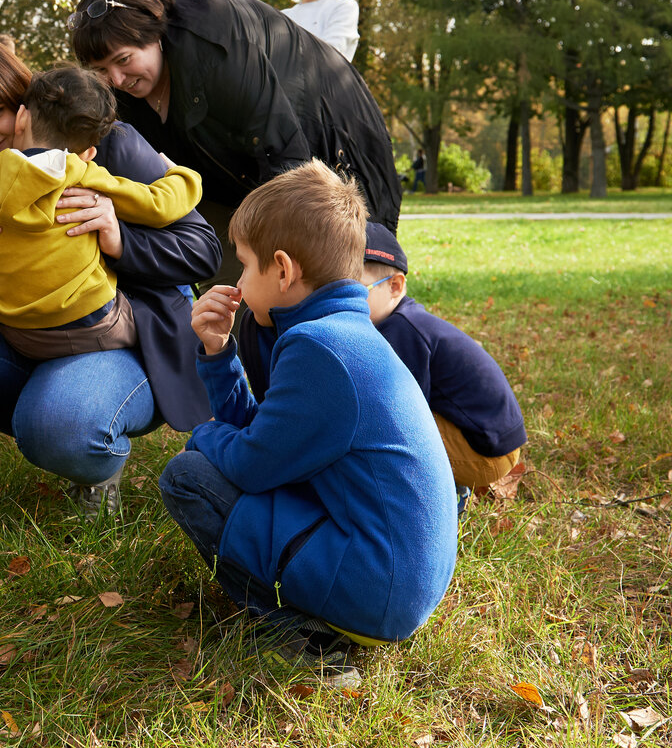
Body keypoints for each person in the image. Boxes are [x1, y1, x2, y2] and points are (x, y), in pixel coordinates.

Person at [157, 160, 456, 688]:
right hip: (398, 578)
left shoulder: (320, 346)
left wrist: (202, 435)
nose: (238, 281)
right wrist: (218, 352)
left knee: (188, 478)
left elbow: (250, 465)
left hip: (380, 588)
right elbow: (269, 443)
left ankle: (306, 639)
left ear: (282, 269)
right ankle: (324, 612)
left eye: (244, 265)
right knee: (212, 462)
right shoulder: (339, 331)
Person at [0, 33, 220, 519]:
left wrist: (118, 238)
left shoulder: (98, 141)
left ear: (23, 102)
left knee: (61, 425)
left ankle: (89, 448)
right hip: (17, 338)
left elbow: (203, 249)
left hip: (112, 340)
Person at [69, 0, 403, 287]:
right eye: (101, 70)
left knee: (336, 283)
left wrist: (277, 261)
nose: (116, 79)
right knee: (240, 298)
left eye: (124, 60)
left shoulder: (216, 46)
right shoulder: (124, 88)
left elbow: (287, 159)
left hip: (331, 148)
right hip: (232, 183)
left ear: (154, 35)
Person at [0, 65, 202, 360]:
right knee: (165, 309)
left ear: (21, 118)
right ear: (89, 152)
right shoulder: (83, 174)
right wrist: (184, 177)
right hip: (94, 326)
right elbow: (158, 205)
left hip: (16, 331)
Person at [360, 222, 526, 504]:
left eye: (355, 290)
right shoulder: (404, 319)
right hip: (490, 438)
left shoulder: (401, 331)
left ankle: (443, 502)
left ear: (395, 286)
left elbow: (403, 413)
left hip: (485, 451)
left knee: (381, 434)